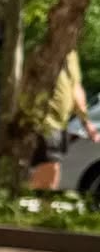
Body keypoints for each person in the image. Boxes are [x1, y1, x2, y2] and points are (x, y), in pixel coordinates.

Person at [30, 48, 99, 190]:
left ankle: (38, 201)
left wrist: (87, 124)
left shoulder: (70, 56)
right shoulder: (47, 49)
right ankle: (39, 202)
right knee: (49, 165)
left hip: (59, 122)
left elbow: (76, 90)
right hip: (45, 120)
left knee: (49, 165)